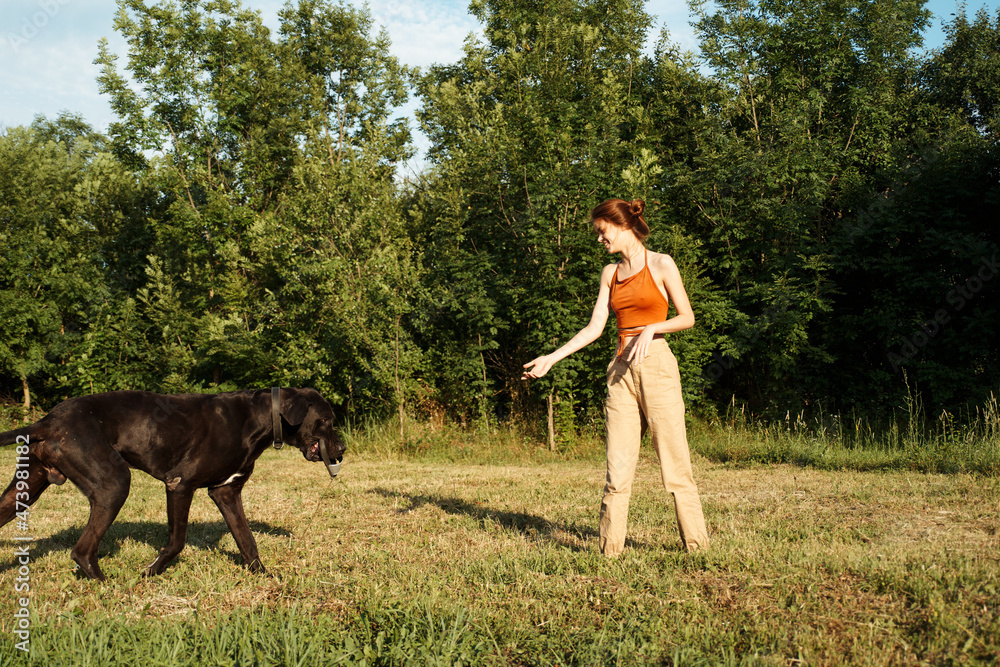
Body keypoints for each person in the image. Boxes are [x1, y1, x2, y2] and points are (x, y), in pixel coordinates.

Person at [522, 198, 709, 556]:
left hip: (657, 364)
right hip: (620, 369)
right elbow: (595, 327)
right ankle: (609, 552)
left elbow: (688, 317)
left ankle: (698, 548)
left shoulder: (661, 263)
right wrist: (552, 357)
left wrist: (652, 328)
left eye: (601, 231)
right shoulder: (610, 273)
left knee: (674, 464)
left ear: (620, 225)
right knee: (617, 470)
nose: (599, 239)